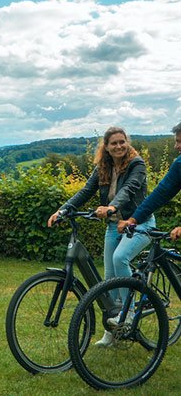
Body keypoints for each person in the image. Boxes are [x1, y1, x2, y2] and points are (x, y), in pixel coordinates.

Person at [47, 126, 154, 346]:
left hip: (139, 223)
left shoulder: (137, 164)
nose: (119, 146)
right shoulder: (103, 167)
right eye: (113, 143)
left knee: (119, 258)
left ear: (127, 142)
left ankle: (128, 314)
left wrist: (111, 208)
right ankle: (112, 330)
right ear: (106, 147)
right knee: (109, 279)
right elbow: (86, 191)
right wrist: (63, 210)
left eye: (122, 141)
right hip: (115, 226)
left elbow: (129, 190)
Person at [118, 122, 181, 241]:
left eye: (180, 141)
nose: (176, 146)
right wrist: (132, 220)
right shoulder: (179, 164)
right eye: (176, 141)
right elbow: (160, 193)